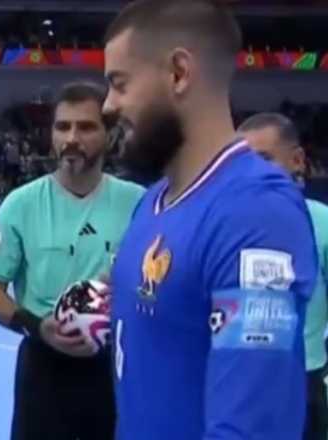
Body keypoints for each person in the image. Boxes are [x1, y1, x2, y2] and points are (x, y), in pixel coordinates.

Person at [103, 1, 317, 439]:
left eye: (119, 84)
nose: (108, 105)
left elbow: (251, 428)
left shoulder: (256, 215)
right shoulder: (153, 203)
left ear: (179, 73)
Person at [0, 81, 145, 440]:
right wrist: (37, 327)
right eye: (62, 127)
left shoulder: (139, 204)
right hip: (43, 364)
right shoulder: (20, 205)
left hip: (115, 367)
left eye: (85, 127)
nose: (72, 138)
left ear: (109, 133)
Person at [238, 112, 328, 440]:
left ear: (297, 160)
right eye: (241, 162)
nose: (250, 174)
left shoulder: (324, 224)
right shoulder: (222, 230)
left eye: (264, 159)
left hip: (304, 381)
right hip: (240, 383)